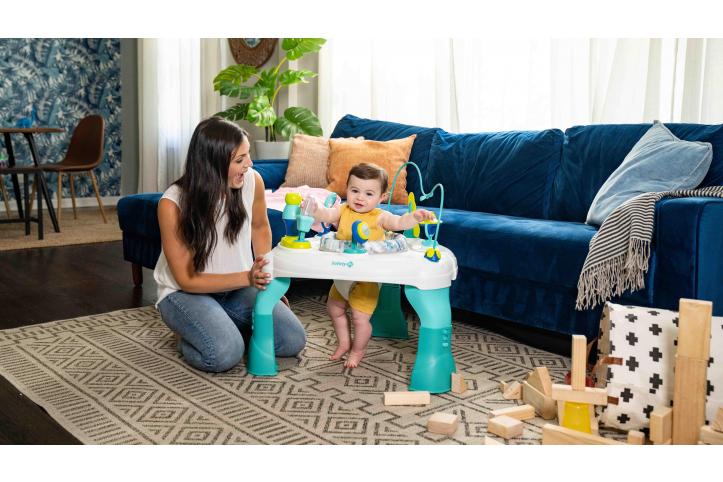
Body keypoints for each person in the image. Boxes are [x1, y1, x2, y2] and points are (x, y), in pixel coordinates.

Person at [154, 117, 306, 372]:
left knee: (292, 340)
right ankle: (187, 337)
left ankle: (220, 326)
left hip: (236, 287)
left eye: (247, 156)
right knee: (224, 354)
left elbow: (259, 227)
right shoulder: (172, 204)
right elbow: (187, 280)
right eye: (239, 160)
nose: (249, 164)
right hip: (184, 294)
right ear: (211, 163)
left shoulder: (252, 181)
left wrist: (268, 282)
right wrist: (249, 278)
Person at [304, 162, 435, 368]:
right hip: (342, 273)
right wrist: (316, 208)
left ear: (381, 197)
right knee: (334, 308)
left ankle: (358, 350)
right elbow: (327, 215)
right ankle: (344, 343)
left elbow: (399, 224)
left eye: (368, 194)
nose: (359, 198)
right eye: (354, 190)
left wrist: (415, 217)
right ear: (347, 188)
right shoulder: (343, 210)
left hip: (366, 279)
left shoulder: (380, 217)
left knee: (359, 318)